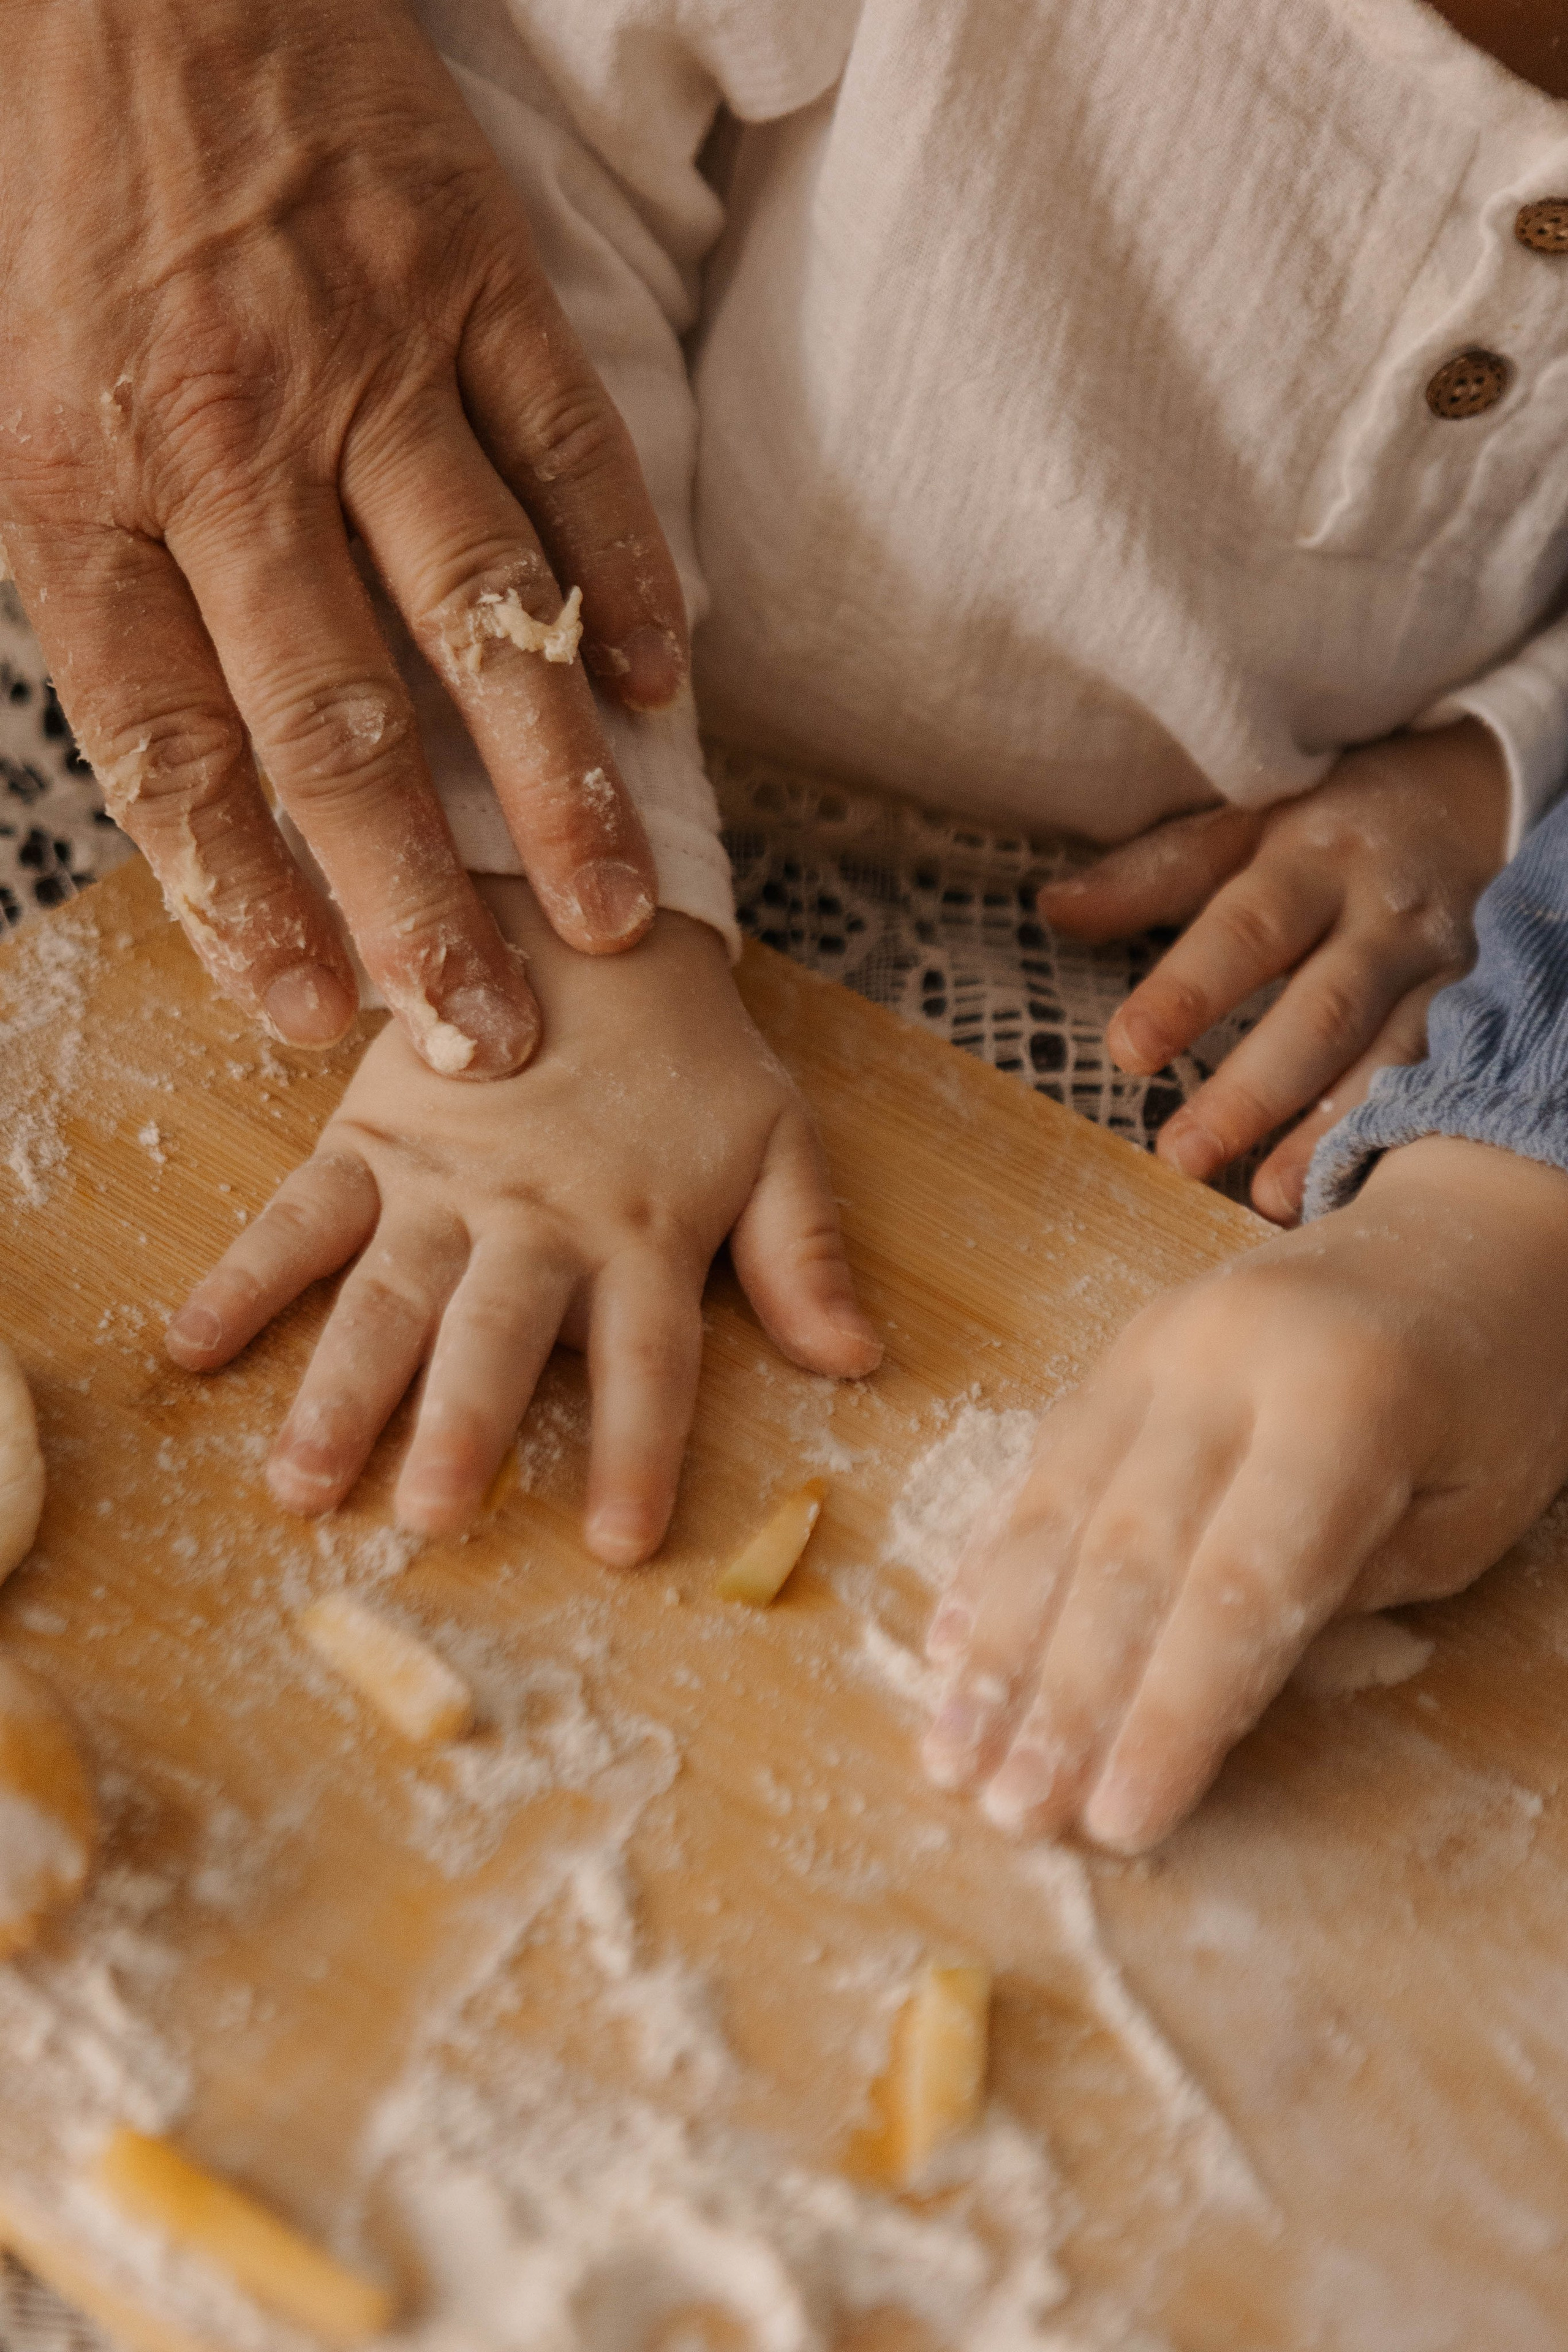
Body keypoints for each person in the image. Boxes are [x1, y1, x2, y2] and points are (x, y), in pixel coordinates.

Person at [21, 0, 1568, 1852]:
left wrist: (1499, 801)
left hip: (1325, 925)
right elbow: (506, 158)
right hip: (585, 704)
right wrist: (577, 903)